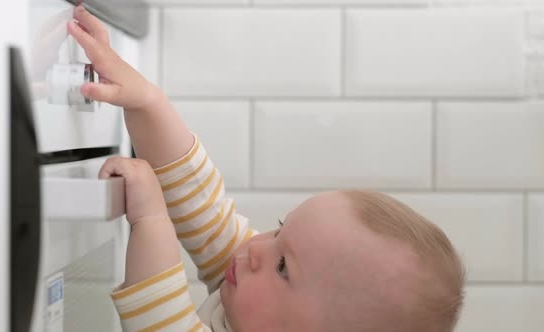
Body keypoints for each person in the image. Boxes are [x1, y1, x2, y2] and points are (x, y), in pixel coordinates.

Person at [68, 6, 466, 332]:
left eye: (283, 266)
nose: (257, 247)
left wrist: (152, 220)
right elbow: (203, 208)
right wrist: (147, 102)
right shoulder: (249, 289)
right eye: (279, 228)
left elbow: (160, 321)